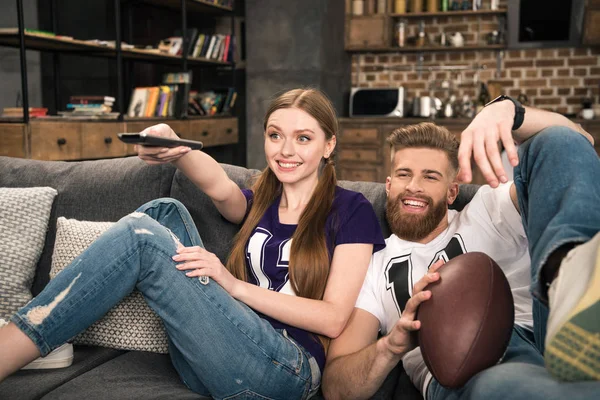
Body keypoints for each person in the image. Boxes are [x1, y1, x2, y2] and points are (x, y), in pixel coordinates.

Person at [0, 88, 386, 399]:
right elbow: (218, 187)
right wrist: (175, 147)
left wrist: (233, 286)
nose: (285, 151)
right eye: (275, 135)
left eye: (303, 138)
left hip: (284, 369)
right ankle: (44, 333)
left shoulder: (351, 208)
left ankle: (15, 342)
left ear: (329, 145)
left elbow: (334, 318)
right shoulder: (263, 198)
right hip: (220, 347)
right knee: (163, 211)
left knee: (141, 236)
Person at [322, 98, 600, 400]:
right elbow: (336, 386)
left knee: (555, 140)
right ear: (388, 185)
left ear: (452, 191)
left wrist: (508, 111)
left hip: (548, 327)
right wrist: (392, 346)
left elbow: (574, 146)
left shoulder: (487, 210)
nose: (414, 186)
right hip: (470, 365)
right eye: (404, 174)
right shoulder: (373, 263)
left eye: (430, 176)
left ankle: (571, 280)